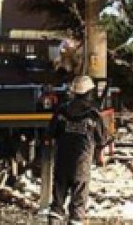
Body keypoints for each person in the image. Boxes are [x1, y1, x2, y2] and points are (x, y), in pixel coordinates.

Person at [45, 75, 109, 224]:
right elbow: (102, 139)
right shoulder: (93, 115)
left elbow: (50, 133)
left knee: (57, 202)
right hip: (81, 165)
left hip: (61, 163)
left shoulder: (61, 112)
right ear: (89, 92)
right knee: (78, 205)